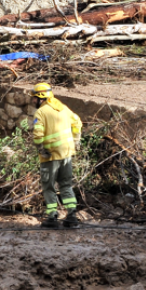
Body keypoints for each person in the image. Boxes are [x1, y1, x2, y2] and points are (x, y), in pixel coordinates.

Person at [30, 82, 83, 228]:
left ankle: (52, 217)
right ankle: (72, 216)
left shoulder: (41, 112)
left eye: (34, 98)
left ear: (41, 97)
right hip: (66, 154)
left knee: (49, 187)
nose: (33, 101)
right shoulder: (63, 108)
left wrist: (41, 148)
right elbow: (77, 122)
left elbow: (38, 135)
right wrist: (76, 140)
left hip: (50, 156)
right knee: (66, 185)